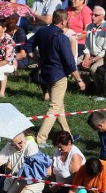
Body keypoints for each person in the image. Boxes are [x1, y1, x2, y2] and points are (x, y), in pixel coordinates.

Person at [34, 10, 85, 143]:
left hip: (46, 74)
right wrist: (78, 79)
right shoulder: (62, 37)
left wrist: (37, 60)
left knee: (59, 106)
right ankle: (41, 138)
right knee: (54, 107)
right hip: (59, 76)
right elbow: (69, 61)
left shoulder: (41, 31)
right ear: (64, 21)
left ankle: (68, 135)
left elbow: (28, 47)